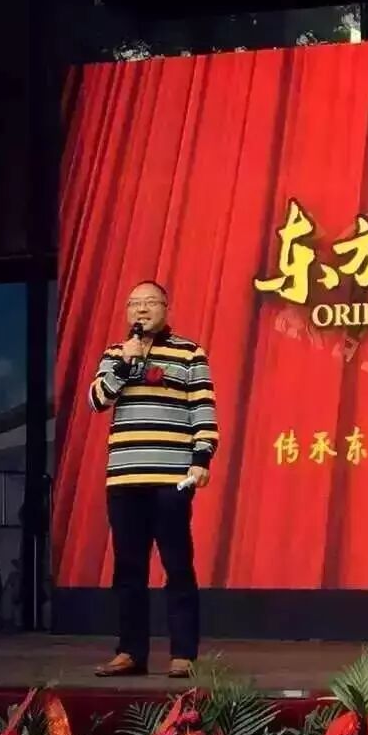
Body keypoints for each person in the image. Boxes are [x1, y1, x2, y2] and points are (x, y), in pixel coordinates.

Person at [89, 280, 217, 679]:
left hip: (171, 477)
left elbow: (203, 410)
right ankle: (130, 652)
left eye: (150, 303)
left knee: (177, 565)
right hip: (124, 477)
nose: (141, 310)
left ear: (166, 308)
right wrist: (124, 365)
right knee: (128, 569)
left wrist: (201, 459)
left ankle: (183, 653)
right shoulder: (114, 354)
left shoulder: (189, 353)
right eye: (134, 304)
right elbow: (97, 400)